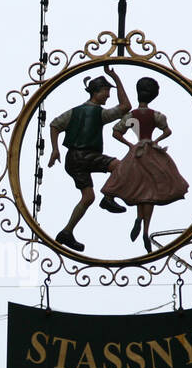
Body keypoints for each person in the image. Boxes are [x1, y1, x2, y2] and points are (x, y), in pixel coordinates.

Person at [46, 67, 131, 252]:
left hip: (73, 159)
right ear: (96, 92)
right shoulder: (98, 113)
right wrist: (116, 77)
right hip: (85, 156)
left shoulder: (74, 112)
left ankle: (66, 232)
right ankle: (108, 197)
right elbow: (126, 107)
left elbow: (55, 125)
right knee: (119, 166)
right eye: (106, 92)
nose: (108, 96)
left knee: (87, 197)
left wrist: (56, 149)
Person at [103, 76, 189, 251]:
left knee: (140, 188)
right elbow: (167, 131)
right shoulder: (156, 115)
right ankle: (145, 229)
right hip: (152, 153)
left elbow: (116, 132)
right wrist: (155, 141)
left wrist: (131, 145)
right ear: (153, 95)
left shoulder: (131, 115)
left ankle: (138, 220)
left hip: (137, 153)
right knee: (149, 191)